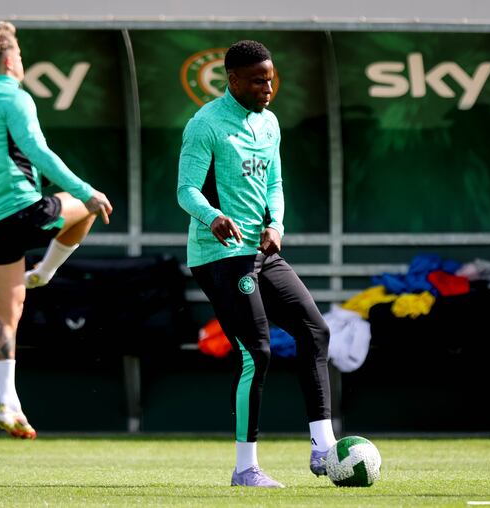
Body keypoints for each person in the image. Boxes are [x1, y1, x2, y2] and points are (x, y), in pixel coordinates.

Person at [177, 40, 335, 487]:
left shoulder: (269, 124)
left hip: (263, 253)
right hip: (220, 256)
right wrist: (214, 217)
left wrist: (277, 225)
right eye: (257, 80)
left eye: (271, 79)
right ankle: (245, 469)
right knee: (257, 352)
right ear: (232, 80)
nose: (267, 87)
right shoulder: (205, 125)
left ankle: (324, 450)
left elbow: (275, 182)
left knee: (315, 332)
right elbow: (186, 190)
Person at [0, 21, 113, 439]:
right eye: (21, 55)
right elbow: (36, 150)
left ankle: (7, 404)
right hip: (20, 210)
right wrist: (87, 191)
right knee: (85, 208)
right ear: (11, 60)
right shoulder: (14, 96)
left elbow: (4, 156)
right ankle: (46, 271)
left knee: (5, 315)